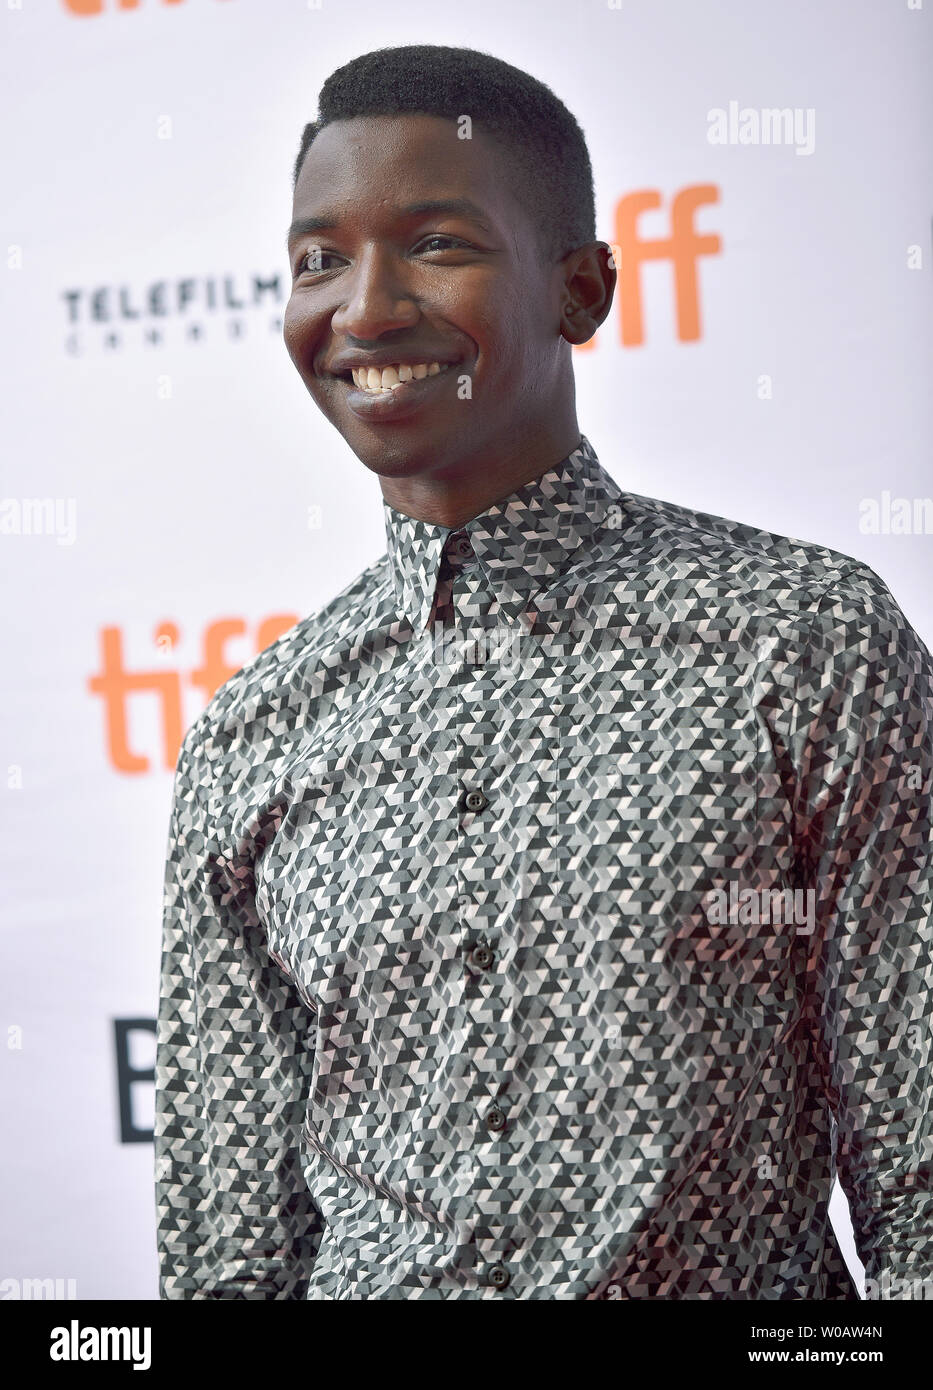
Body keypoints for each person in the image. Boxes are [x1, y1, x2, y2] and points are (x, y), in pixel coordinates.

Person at [154, 43, 933, 1300]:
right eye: (319, 259)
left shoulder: (802, 639)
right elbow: (228, 1254)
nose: (364, 308)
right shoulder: (257, 732)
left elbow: (921, 1155)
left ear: (581, 289)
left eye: (437, 242)